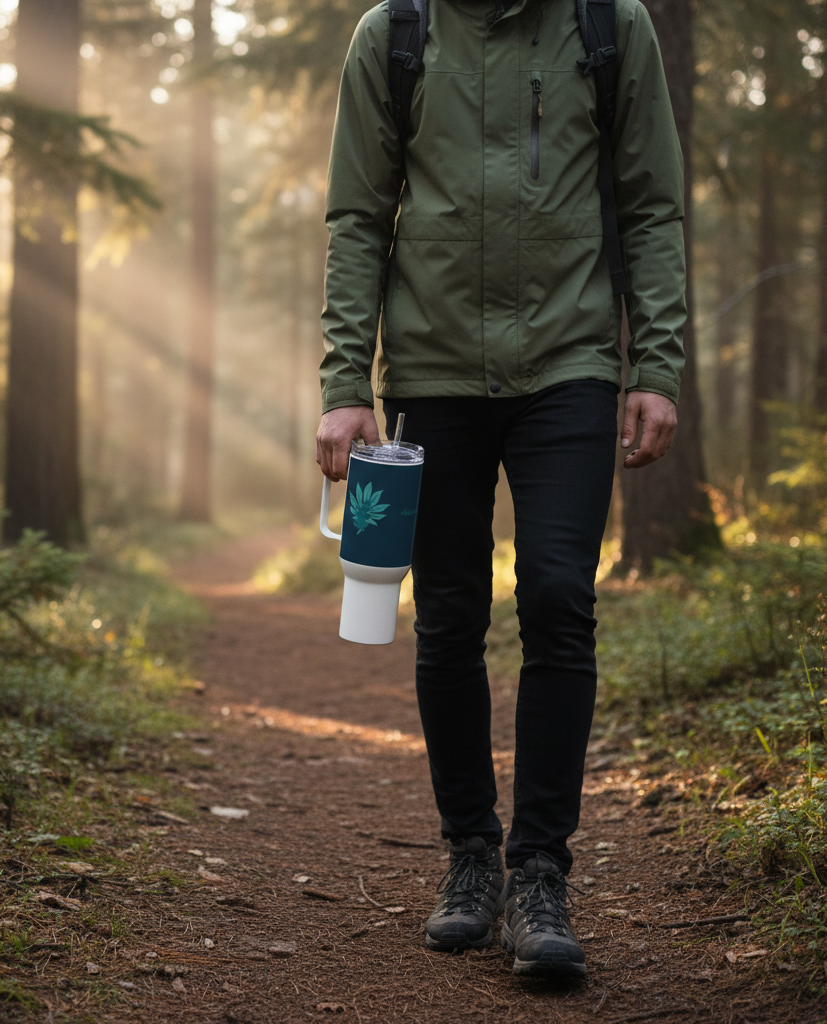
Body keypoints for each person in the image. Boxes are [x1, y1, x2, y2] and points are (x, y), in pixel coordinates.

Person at [314, 0, 685, 979]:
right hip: (431, 371)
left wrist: (655, 364)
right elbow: (357, 217)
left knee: (559, 595)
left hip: (570, 361)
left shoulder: (608, 26)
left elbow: (651, 204)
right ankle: (472, 853)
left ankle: (541, 871)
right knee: (448, 614)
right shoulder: (394, 35)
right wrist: (345, 383)